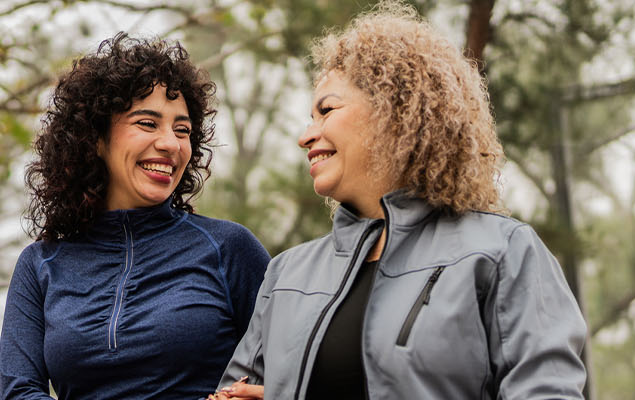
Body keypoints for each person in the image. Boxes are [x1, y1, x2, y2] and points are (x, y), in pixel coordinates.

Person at [212, 4, 588, 400]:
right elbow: (232, 393)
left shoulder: (502, 253)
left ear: (395, 111)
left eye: (327, 110)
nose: (306, 135)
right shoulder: (287, 275)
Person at [0, 32, 272, 399]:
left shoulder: (229, 249)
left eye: (182, 130)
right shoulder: (41, 264)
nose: (170, 144)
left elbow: (295, 372)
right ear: (96, 137)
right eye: (147, 123)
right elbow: (19, 391)